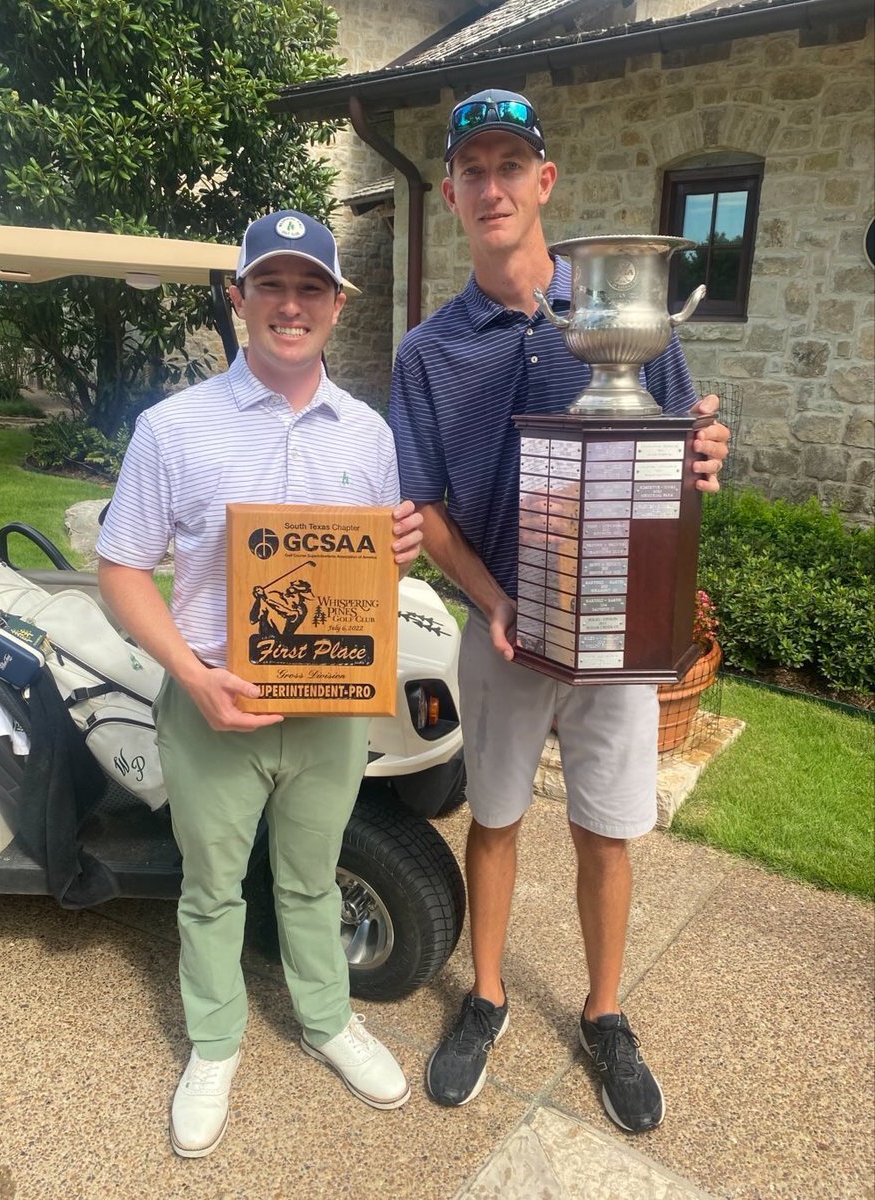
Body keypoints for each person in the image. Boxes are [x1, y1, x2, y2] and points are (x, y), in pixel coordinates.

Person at [389, 90, 730, 1133]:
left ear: (547, 182)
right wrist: (491, 601)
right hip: (502, 630)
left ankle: (605, 1013)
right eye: (473, 170)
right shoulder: (427, 351)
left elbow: (675, 446)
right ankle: (488, 997)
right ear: (450, 192)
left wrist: (703, 458)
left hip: (615, 636)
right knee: (494, 815)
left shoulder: (620, 309)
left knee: (607, 830)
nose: (492, 186)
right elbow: (425, 508)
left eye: (511, 165)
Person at [97, 211, 421, 1158]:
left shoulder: (368, 436)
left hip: (328, 717)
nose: (290, 305)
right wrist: (193, 677)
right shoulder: (172, 427)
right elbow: (122, 569)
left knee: (312, 880)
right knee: (210, 889)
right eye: (270, 286)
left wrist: (397, 556)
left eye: (309, 287)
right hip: (212, 707)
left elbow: (361, 582)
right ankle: (214, 1043)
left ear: (334, 305)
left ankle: (327, 1021)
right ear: (239, 298)